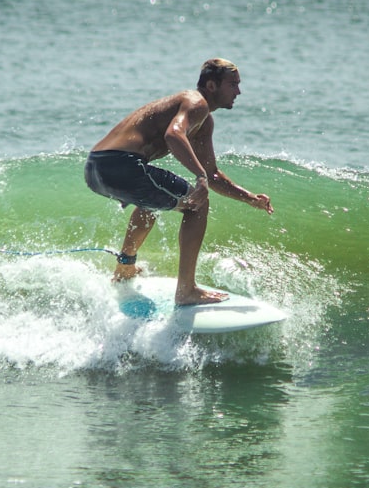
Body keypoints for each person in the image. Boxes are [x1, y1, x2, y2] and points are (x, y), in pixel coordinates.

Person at [84, 58, 273, 305]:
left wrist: (249, 197)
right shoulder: (197, 103)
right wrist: (200, 179)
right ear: (212, 85)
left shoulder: (203, 122)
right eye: (233, 84)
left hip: (95, 168)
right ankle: (186, 290)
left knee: (151, 203)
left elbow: (212, 173)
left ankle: (124, 268)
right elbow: (173, 135)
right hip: (122, 164)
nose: (238, 91)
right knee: (197, 204)